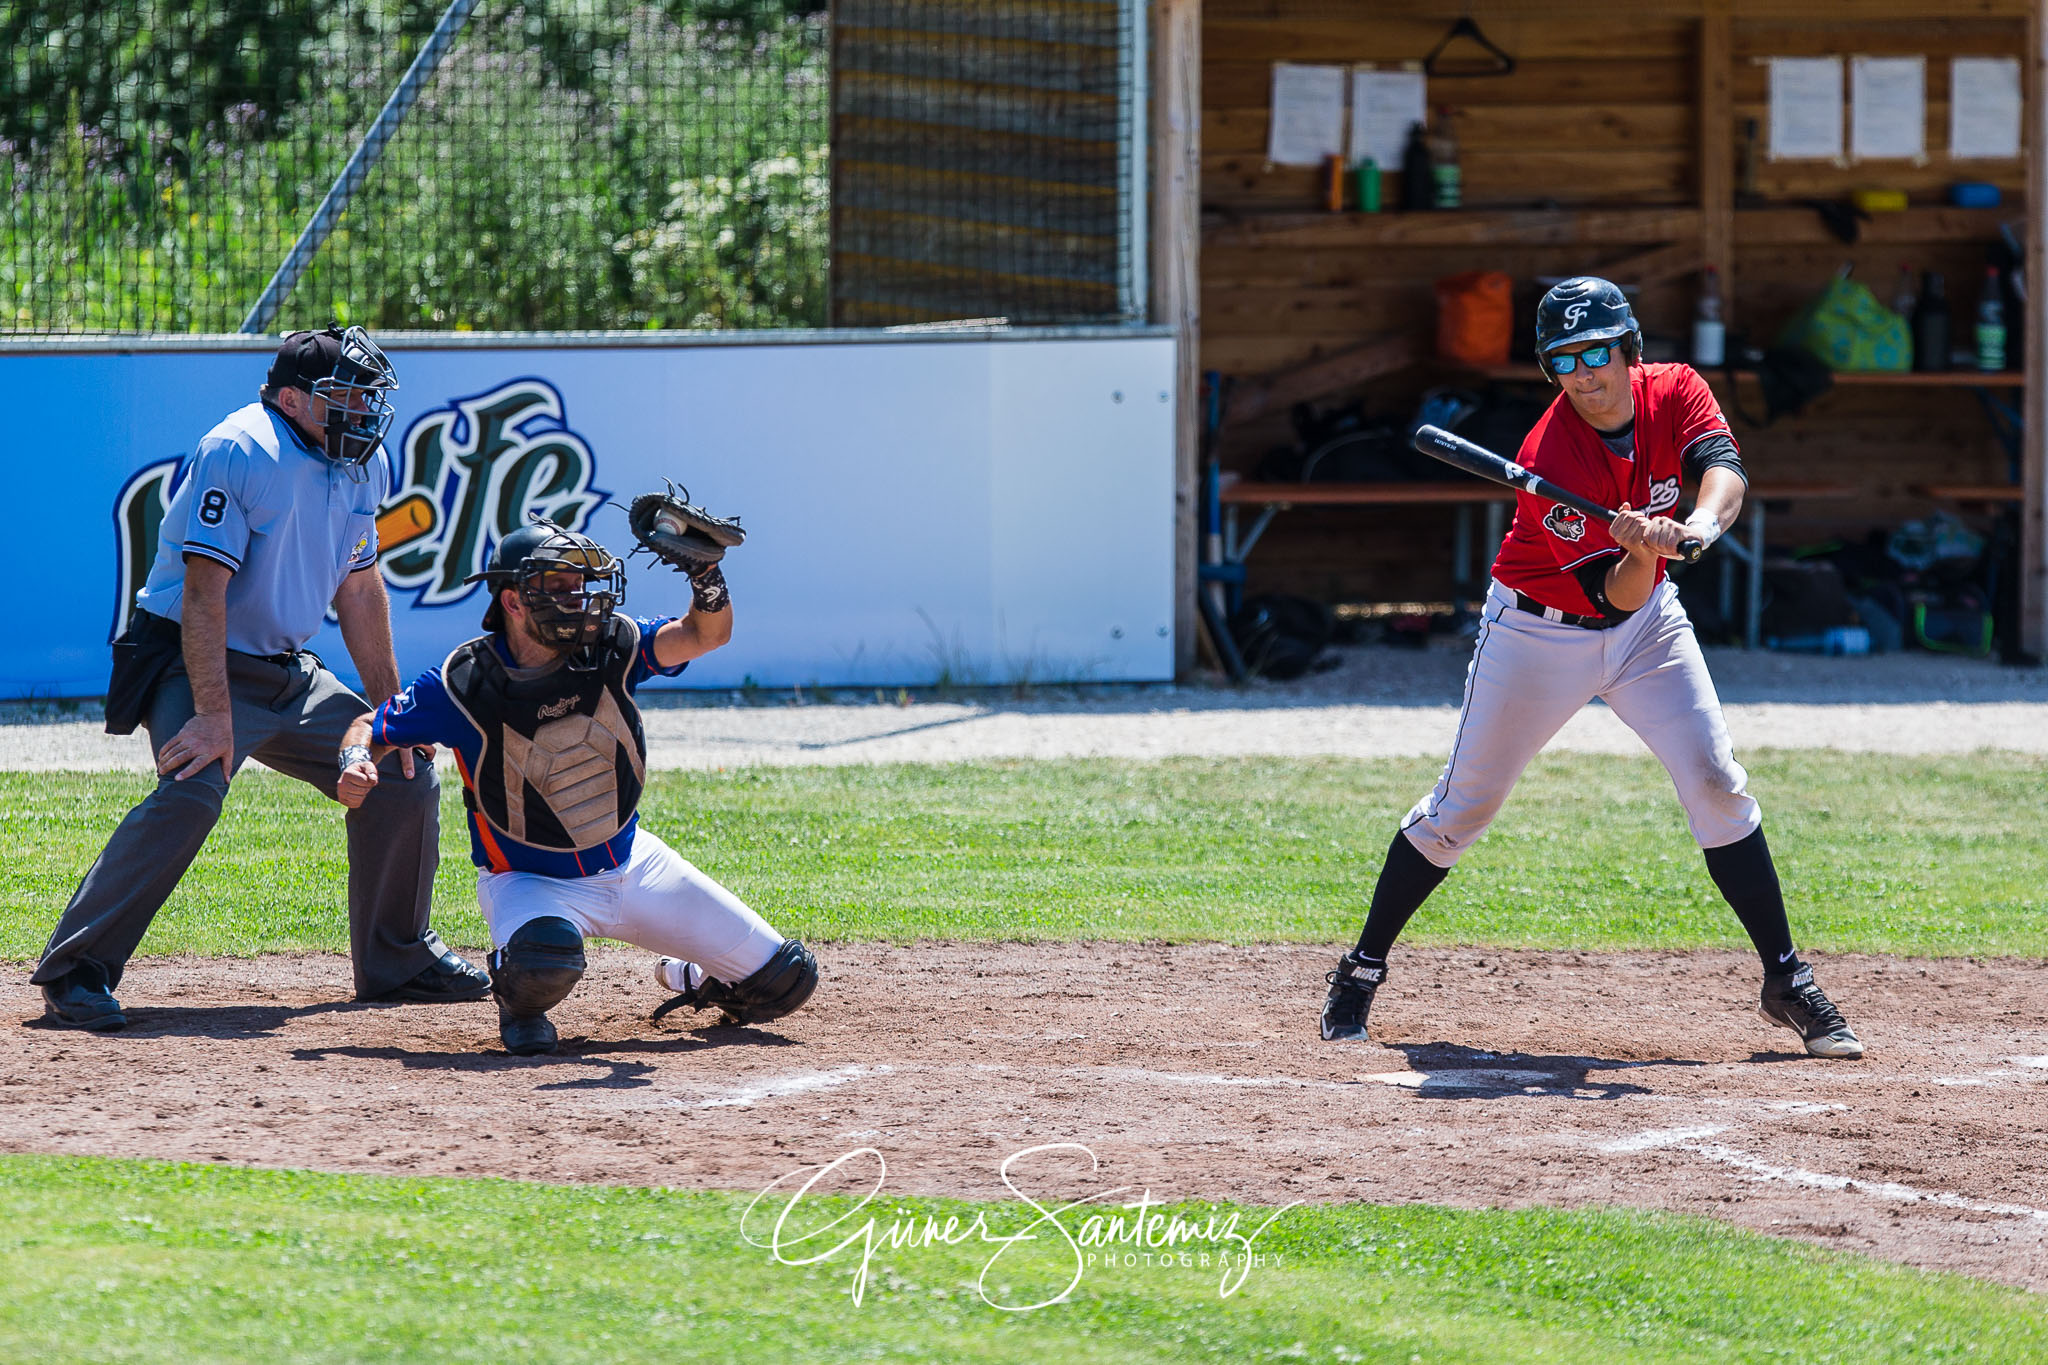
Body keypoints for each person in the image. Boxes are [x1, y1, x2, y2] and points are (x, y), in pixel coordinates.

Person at [1320, 276, 1863, 1060]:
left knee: (1717, 783)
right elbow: (1610, 595)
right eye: (1565, 358)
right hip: (1537, 634)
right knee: (1461, 809)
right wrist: (1642, 548)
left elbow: (1723, 465)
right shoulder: (1549, 454)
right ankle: (1361, 968)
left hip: (1651, 631)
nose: (1585, 373)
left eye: (1598, 351)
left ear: (1628, 349)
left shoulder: (1675, 389)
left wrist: (1697, 526)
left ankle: (1786, 978)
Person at [35, 325, 490, 1030]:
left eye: (369, 395)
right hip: (193, 657)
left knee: (404, 767)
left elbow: (362, 591)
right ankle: (75, 969)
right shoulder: (241, 447)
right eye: (347, 394)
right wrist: (214, 716)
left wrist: (393, 711)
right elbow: (203, 593)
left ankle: (397, 960)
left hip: (286, 668)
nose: (364, 409)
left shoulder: (359, 460)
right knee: (194, 788)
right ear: (290, 396)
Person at [334, 519, 817, 1056]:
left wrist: (705, 573)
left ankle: (691, 975)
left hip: (635, 864)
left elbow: (707, 634)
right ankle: (519, 1003)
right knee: (545, 958)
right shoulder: (465, 681)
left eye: (581, 585)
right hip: (528, 881)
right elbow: (369, 727)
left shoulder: (612, 644)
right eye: (560, 587)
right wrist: (357, 762)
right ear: (514, 602)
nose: (580, 599)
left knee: (786, 980)